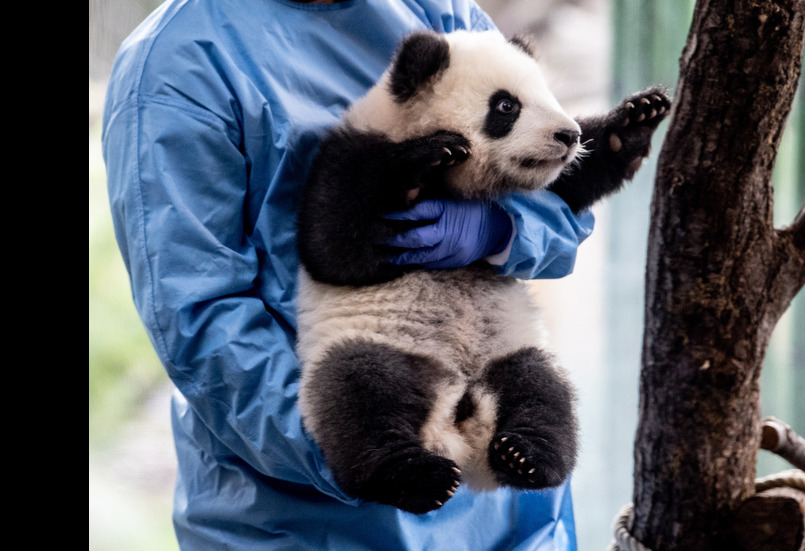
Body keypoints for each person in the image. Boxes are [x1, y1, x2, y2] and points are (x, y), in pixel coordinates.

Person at [102, 0, 594, 549]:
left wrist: (501, 231)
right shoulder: (179, 65)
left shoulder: (443, 11)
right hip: (309, 519)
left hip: (509, 520)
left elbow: (556, 191)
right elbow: (199, 319)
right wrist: (364, 443)